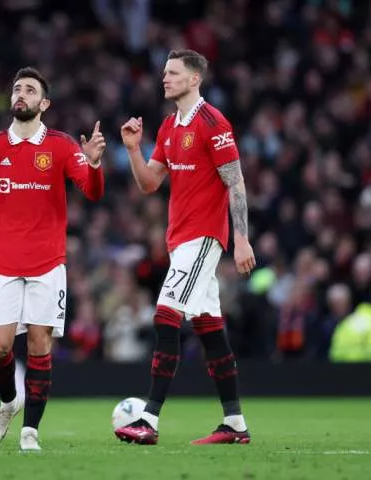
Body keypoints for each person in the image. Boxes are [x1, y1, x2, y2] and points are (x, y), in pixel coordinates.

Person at [0, 67, 106, 451]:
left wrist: (93, 163)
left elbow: (92, 192)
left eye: (30, 90)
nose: (21, 94)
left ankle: (30, 431)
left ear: (44, 103)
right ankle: (9, 402)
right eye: (17, 89)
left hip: (48, 264)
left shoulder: (61, 147)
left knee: (40, 346)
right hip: (2, 265)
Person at [115, 50, 256, 445]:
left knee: (166, 316)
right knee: (209, 329)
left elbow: (236, 180)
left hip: (204, 236)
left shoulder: (214, 122)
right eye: (164, 73)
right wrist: (131, 149)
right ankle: (235, 425)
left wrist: (241, 238)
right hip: (179, 240)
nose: (165, 78)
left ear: (194, 79)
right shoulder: (167, 126)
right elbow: (149, 184)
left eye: (173, 73)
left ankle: (148, 420)